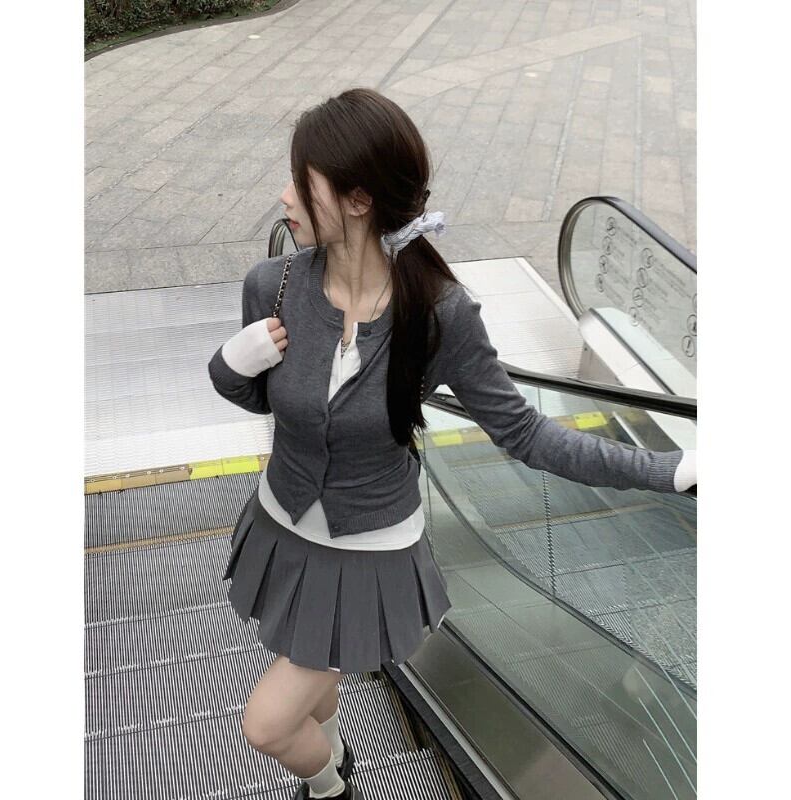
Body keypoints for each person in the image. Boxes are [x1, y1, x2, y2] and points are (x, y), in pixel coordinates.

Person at [207, 87, 696, 800]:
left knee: (268, 725)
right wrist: (230, 365)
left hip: (368, 550)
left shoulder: (439, 315)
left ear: (358, 201)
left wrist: (668, 469)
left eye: (301, 181)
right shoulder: (273, 285)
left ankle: (331, 787)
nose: (283, 197)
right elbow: (260, 398)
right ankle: (336, 752)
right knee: (311, 669)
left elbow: (525, 432)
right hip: (282, 524)